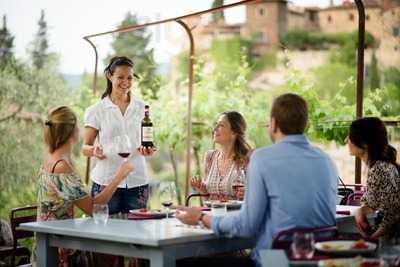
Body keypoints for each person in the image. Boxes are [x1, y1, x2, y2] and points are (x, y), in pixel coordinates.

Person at [176, 93, 338, 267]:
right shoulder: (326, 160)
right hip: (316, 261)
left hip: (276, 262)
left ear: (273, 124)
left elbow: (247, 225)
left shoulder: (262, 158)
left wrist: (202, 218)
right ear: (305, 124)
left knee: (184, 262)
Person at [35, 106, 134, 266]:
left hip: (46, 242)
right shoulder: (61, 167)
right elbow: (93, 208)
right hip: (58, 250)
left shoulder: (50, 159)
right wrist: (119, 176)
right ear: (73, 133)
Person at [82, 56, 155, 215]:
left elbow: (148, 141)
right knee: (105, 231)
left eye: (129, 77)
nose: (126, 82)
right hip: (106, 182)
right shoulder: (96, 110)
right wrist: (94, 150)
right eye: (120, 77)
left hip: (137, 181)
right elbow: (85, 147)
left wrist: (148, 149)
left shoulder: (143, 108)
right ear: (110, 76)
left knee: (138, 233)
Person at [347, 117, 400, 239]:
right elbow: (374, 202)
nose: (346, 140)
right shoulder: (379, 166)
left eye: (350, 137)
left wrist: (370, 241)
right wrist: (360, 211)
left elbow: (392, 216)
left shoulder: (380, 168)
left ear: (364, 144)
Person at [190, 111, 252, 201]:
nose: (215, 129)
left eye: (221, 125)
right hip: (212, 214)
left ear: (234, 132)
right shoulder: (210, 157)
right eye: (216, 125)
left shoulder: (248, 158)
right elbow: (208, 200)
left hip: (237, 214)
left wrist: (248, 193)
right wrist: (203, 191)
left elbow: (257, 193)